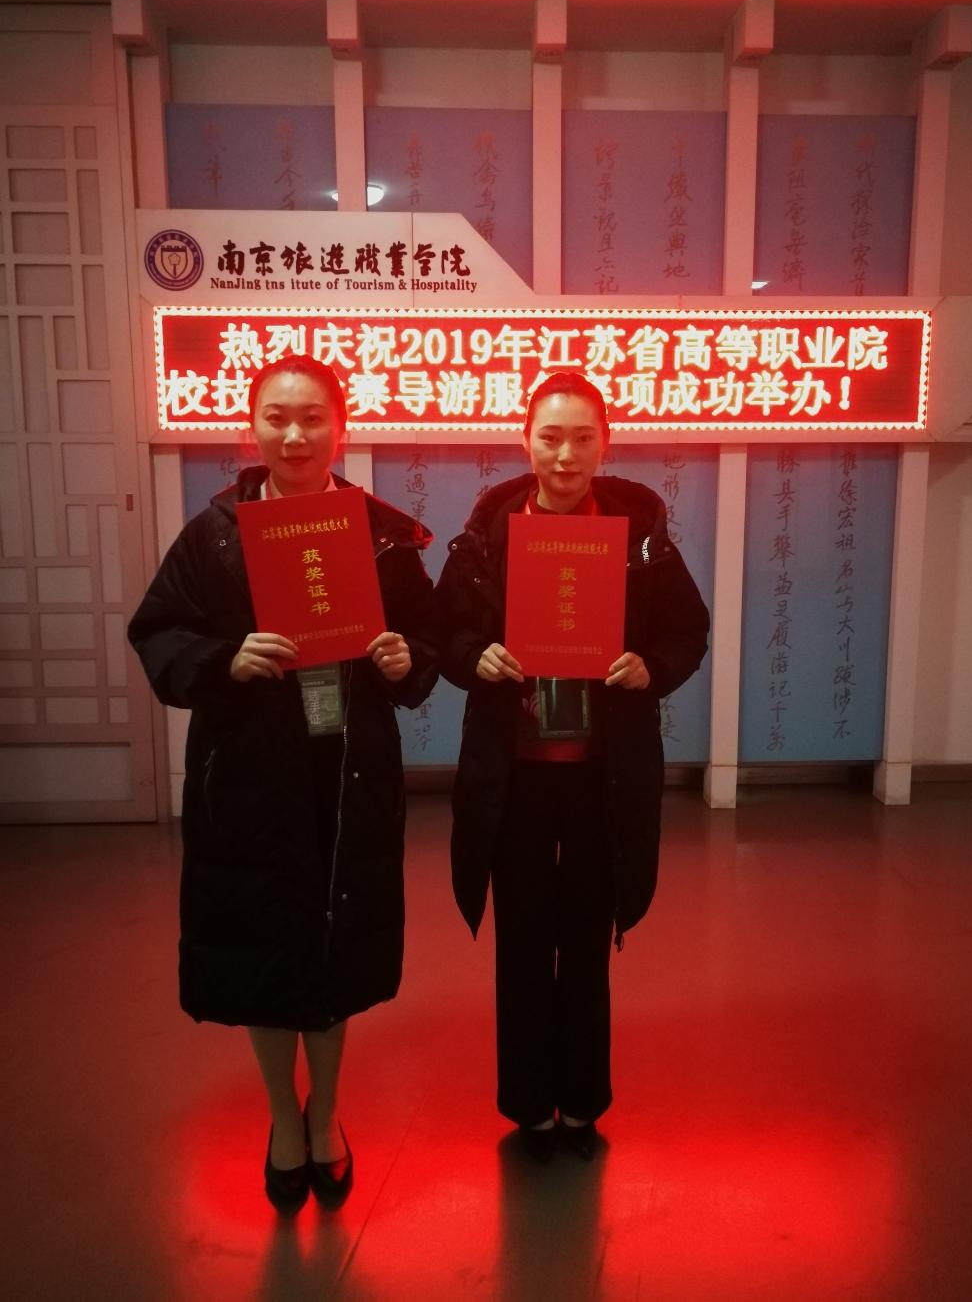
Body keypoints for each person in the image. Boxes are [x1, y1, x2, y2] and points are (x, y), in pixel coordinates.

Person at [128, 354, 440, 1209]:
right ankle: (282, 1119)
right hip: (248, 778)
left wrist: (405, 658)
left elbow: (427, 636)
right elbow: (159, 631)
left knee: (333, 949)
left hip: (347, 772)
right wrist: (224, 659)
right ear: (251, 426)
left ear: (341, 427)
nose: (294, 435)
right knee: (262, 950)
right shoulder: (213, 535)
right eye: (276, 416)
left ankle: (326, 1114)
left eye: (311, 418)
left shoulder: (380, 534)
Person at [436, 371, 709, 1161]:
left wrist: (649, 666)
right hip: (514, 775)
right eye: (550, 436)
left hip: (601, 774)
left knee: (587, 938)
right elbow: (441, 630)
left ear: (605, 443)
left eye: (581, 437)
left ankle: (583, 1097)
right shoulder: (484, 540)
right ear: (525, 440)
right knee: (522, 937)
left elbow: (686, 630)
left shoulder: (640, 540)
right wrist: (473, 655)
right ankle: (527, 1099)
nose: (564, 454)